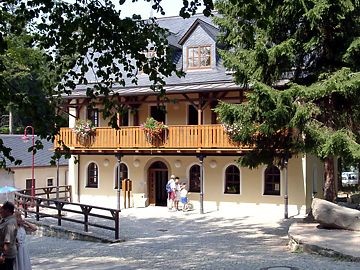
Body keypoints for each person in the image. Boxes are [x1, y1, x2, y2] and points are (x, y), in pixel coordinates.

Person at [0, 201, 18, 270]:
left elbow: (7, 241)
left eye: (2, 209)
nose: (0, 211)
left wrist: (3, 255)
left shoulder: (10, 223)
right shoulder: (5, 220)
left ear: (7, 211)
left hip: (6, 255)